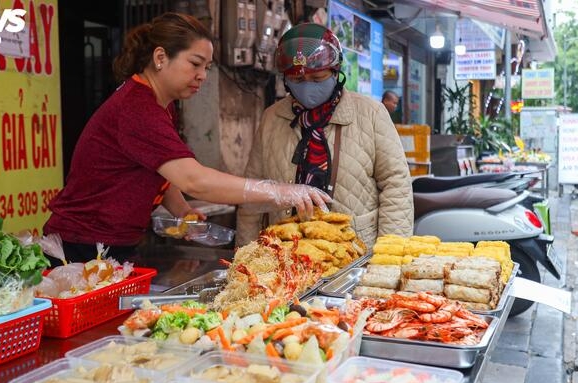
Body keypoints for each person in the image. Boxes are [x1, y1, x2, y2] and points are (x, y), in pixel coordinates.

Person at [43, 13, 329, 263]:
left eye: (207, 67)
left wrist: (183, 212)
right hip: (80, 246)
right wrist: (280, 191)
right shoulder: (137, 109)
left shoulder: (161, 104)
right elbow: (195, 180)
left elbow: (160, 169)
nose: (202, 75)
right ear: (160, 57)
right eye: (195, 63)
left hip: (113, 242)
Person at [236, 23, 413, 247]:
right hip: (286, 255)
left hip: (355, 255)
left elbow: (396, 185)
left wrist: (388, 257)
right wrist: (246, 253)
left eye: (318, 79)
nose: (308, 86)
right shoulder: (272, 118)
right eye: (298, 80)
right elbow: (254, 192)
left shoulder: (370, 113)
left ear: (335, 72)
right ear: (286, 81)